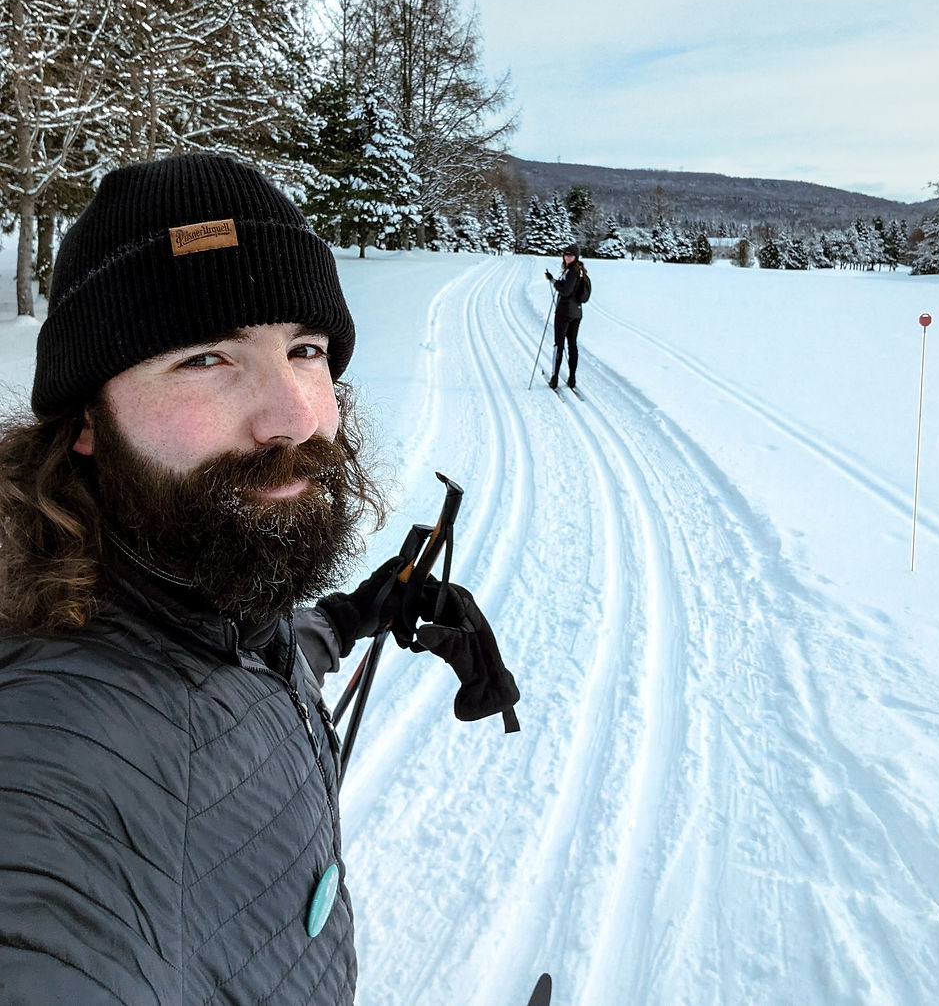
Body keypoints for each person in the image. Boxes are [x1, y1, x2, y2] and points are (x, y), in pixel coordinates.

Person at [0, 152, 518, 1006]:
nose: (296, 414)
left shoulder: (181, 579)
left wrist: (352, 613)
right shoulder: (52, 760)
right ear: (86, 418)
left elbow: (235, 664)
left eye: (305, 349)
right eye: (206, 356)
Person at [544, 243, 589, 390]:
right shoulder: (580, 270)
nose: (567, 256)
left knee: (559, 344)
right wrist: (553, 280)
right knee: (572, 345)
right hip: (577, 312)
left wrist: (555, 284)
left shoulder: (572, 271)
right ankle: (572, 378)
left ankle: (555, 378)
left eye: (570, 254)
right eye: (565, 254)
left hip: (564, 312)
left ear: (576, 256)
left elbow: (566, 291)